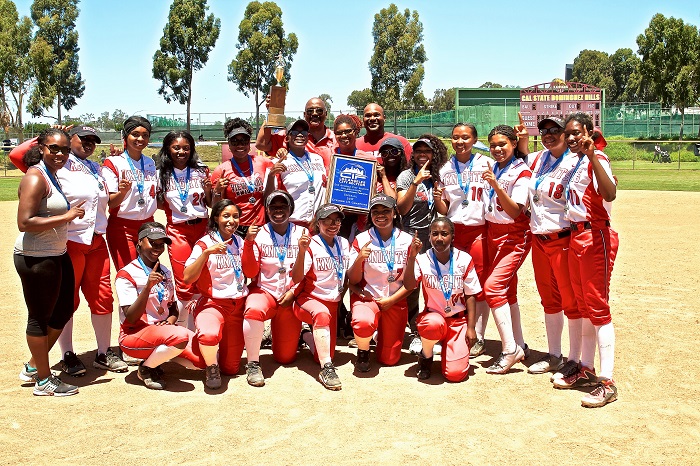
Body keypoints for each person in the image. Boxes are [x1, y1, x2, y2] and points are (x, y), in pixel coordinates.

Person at [9, 125, 128, 376]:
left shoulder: (96, 168)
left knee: (103, 296)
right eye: (82, 139)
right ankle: (67, 354)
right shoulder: (57, 164)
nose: (88, 144)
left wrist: (122, 190)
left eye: (93, 140)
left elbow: (104, 202)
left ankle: (103, 352)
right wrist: (48, 134)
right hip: (70, 240)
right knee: (67, 300)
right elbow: (17, 155)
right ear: (68, 140)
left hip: (96, 240)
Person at [553, 112, 619, 408]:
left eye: (576, 132)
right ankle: (584, 365)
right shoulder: (574, 162)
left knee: (597, 306)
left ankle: (607, 382)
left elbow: (610, 193)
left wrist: (593, 156)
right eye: (567, 133)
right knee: (581, 305)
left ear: (589, 132)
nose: (570, 138)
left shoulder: (596, 159)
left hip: (595, 235)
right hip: (576, 235)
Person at [14, 127, 85, 396]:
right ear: (41, 148)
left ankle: (35, 364)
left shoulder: (51, 174)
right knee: (39, 318)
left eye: (65, 149)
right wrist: (66, 217)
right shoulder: (35, 177)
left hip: (56, 253)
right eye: (53, 148)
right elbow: (25, 222)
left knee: (65, 307)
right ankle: (43, 380)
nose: (59, 154)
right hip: (35, 257)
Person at [116, 222, 204, 390]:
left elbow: (173, 308)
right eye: (152, 242)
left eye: (161, 243)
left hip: (162, 332)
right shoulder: (127, 274)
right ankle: (147, 368)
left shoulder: (165, 271)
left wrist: (170, 321)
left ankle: (158, 359)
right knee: (180, 337)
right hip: (134, 334)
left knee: (202, 361)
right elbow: (131, 317)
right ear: (140, 242)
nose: (157, 247)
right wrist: (147, 287)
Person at [525, 117, 581, 380]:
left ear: (565, 133)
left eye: (555, 130)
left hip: (564, 238)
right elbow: (520, 153)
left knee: (570, 301)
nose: (548, 135)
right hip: (539, 239)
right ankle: (554, 355)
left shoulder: (575, 161)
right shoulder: (538, 159)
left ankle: (575, 358)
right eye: (544, 130)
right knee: (549, 300)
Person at [436, 123, 493, 358]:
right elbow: (444, 208)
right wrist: (438, 198)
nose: (460, 142)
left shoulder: (486, 163)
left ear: (474, 139)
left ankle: (478, 335)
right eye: (456, 138)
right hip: (455, 231)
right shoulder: (445, 168)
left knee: (477, 284)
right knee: (453, 282)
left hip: (479, 229)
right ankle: (454, 328)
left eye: (466, 137)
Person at [481, 125, 532, 374]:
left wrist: (497, 186)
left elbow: (515, 211)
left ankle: (509, 349)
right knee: (508, 291)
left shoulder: (521, 171)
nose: (498, 149)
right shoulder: (496, 167)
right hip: (492, 232)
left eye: (503, 144)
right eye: (493, 145)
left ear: (514, 144)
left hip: (514, 235)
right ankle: (519, 343)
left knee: (493, 288)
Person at [403, 217, 481, 382]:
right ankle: (426, 357)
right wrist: (411, 258)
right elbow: (409, 284)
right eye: (434, 234)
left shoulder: (464, 259)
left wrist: (471, 327)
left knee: (455, 375)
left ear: (453, 237)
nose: (439, 238)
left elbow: (470, 295)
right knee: (432, 325)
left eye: (444, 234)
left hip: (458, 321)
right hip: (434, 317)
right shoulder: (422, 259)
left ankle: (451, 351)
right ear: (429, 237)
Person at [240, 190, 304, 387]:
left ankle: (304, 335)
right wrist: (249, 243)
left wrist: (294, 292)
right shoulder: (259, 234)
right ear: (266, 210)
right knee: (253, 309)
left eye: (283, 206)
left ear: (290, 209)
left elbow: (308, 271)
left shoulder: (302, 233)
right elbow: (250, 272)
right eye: (273, 207)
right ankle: (252, 363)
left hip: (290, 295)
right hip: (265, 291)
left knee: (285, 358)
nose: (278, 211)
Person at [183, 200, 249, 390]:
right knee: (209, 338)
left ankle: (212, 352)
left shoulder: (239, 241)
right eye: (226, 216)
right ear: (216, 218)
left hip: (237, 306)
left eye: (235, 216)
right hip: (214, 305)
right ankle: (210, 365)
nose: (231, 221)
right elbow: (187, 277)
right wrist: (205, 254)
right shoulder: (204, 243)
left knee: (232, 368)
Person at [347, 194, 413, 372]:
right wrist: (359, 258)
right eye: (375, 212)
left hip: (395, 300)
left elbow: (411, 283)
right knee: (362, 322)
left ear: (395, 214)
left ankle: (378, 335)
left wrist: (392, 300)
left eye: (386, 211)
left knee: (389, 359)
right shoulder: (361, 239)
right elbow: (352, 280)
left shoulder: (407, 240)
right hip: (368, 299)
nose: (380, 215)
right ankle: (363, 350)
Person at [155, 130, 212, 328]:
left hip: (202, 228)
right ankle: (184, 331)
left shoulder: (202, 170)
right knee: (184, 280)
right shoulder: (161, 173)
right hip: (178, 231)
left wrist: (208, 191)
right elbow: (160, 204)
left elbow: (211, 202)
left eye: (186, 148)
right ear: (168, 149)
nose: (181, 151)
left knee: (203, 277)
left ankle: (201, 326)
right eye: (176, 147)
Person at [396, 135, 447, 354]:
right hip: (411, 235)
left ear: (434, 154)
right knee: (411, 285)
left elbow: (443, 211)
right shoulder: (407, 176)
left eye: (427, 151)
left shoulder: (438, 176)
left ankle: (433, 328)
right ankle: (415, 331)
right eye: (418, 151)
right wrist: (416, 182)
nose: (422, 155)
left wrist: (437, 198)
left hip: (434, 237)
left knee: (432, 283)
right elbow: (401, 208)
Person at [292, 204, 350, 390]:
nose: (332, 224)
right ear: (318, 223)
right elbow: (296, 277)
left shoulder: (343, 243)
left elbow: (347, 273)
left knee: (323, 352)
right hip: (310, 300)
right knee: (326, 357)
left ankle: (306, 335)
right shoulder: (311, 243)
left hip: (333, 302)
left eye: (337, 220)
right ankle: (327, 369)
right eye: (327, 221)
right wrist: (301, 252)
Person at [103, 116, 158, 270]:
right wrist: (123, 192)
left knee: (149, 274)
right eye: (135, 134)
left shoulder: (150, 163)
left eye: (145, 135)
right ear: (125, 136)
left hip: (148, 226)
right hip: (123, 228)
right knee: (129, 274)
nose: (140, 139)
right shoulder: (113, 162)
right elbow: (111, 203)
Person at [210, 118, 272, 237]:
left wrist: (281, 152)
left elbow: (281, 165)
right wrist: (217, 191)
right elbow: (215, 208)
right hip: (234, 227)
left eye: (244, 141)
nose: (240, 145)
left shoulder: (263, 163)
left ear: (249, 143)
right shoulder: (221, 170)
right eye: (235, 141)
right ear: (229, 144)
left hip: (259, 226)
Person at [264, 119, 327, 228]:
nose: (299, 135)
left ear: (308, 137)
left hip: (317, 224)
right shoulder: (278, 162)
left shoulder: (318, 159)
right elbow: (267, 198)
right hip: (292, 224)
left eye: (303, 133)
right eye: (294, 133)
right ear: (287, 138)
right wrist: (271, 176)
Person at [256, 97, 336, 168]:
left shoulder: (336, 140)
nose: (314, 114)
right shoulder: (292, 136)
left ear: (326, 114)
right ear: (304, 115)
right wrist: (272, 113)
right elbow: (261, 144)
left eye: (319, 111)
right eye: (310, 111)